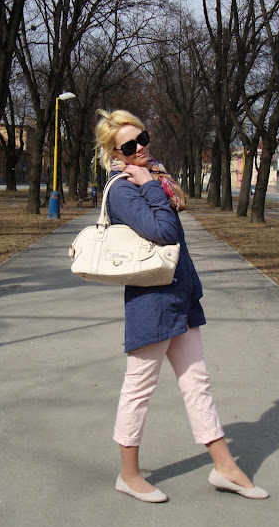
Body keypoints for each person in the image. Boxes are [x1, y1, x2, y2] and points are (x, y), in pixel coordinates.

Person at [95, 109, 269, 503]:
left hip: (181, 295)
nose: (139, 148)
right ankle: (128, 474)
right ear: (115, 153)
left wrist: (152, 182)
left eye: (142, 138)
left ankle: (225, 467)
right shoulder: (123, 188)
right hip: (152, 302)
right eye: (128, 146)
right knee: (139, 388)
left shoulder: (155, 177)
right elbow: (165, 232)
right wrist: (148, 185)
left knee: (197, 383)